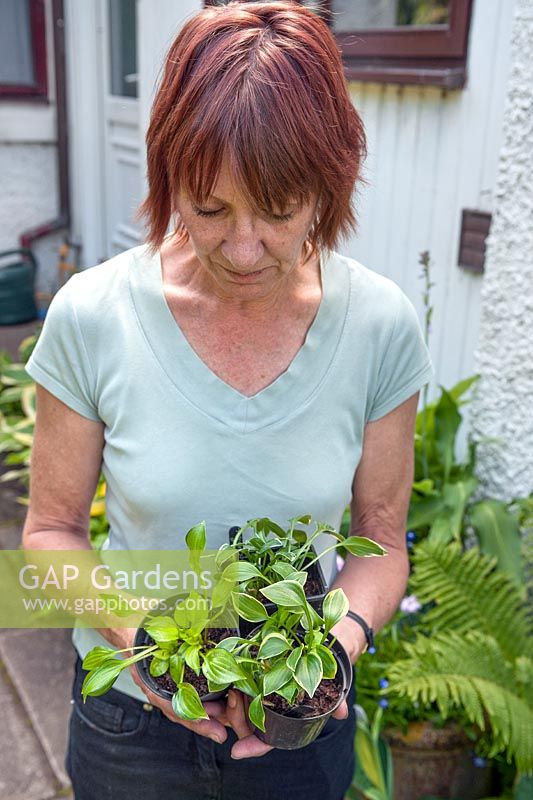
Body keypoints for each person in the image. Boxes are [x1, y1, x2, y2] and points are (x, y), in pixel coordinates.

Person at [23, 2, 433, 798]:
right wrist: (142, 644)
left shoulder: (378, 325)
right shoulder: (94, 313)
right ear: (168, 176)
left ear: (328, 186)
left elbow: (378, 540)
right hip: (126, 727)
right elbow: (48, 533)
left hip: (297, 731)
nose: (243, 249)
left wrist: (331, 656)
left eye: (278, 213)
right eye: (208, 209)